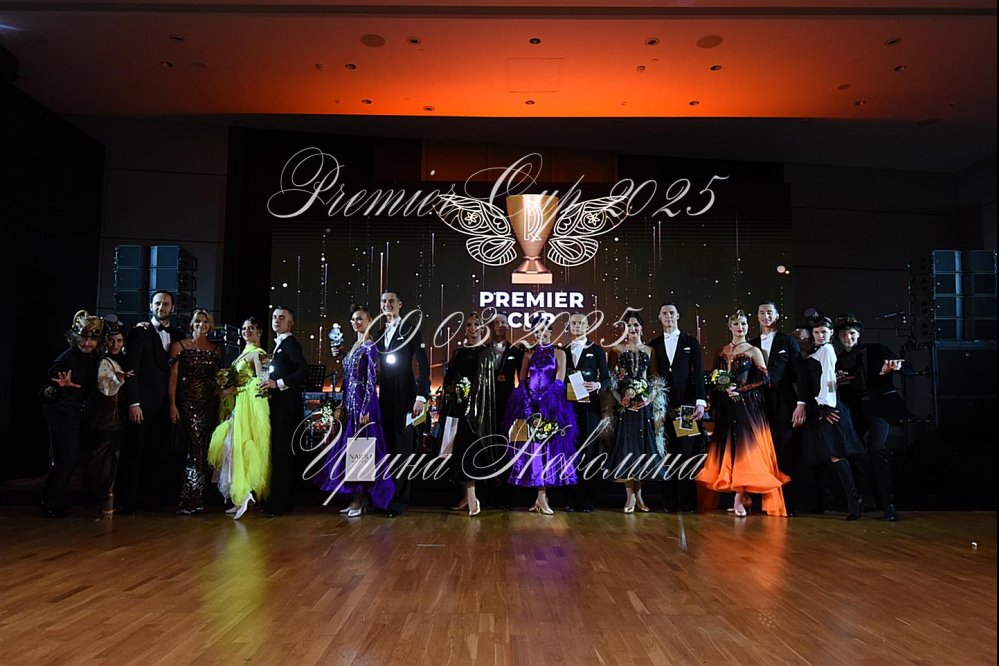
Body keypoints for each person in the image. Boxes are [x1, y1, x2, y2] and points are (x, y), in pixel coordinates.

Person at [696, 310, 789, 517]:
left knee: (745, 449)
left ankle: (739, 498)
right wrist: (720, 393)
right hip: (726, 406)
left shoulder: (754, 350)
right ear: (730, 327)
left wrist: (740, 389)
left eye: (744, 324)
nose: (741, 327)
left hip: (747, 406)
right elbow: (714, 377)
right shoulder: (721, 350)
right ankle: (742, 497)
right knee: (730, 449)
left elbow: (765, 379)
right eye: (737, 324)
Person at [314, 305, 394, 517]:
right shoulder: (356, 346)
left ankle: (360, 499)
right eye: (353, 319)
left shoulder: (369, 346)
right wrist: (342, 354)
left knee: (360, 449)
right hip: (351, 402)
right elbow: (350, 374)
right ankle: (357, 498)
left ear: (369, 321)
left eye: (360, 319)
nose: (355, 322)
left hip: (363, 404)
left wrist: (365, 407)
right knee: (352, 449)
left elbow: (371, 380)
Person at [834, 314, 909, 521]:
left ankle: (888, 505)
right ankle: (865, 499)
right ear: (838, 337)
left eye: (851, 333)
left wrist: (897, 367)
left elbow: (904, 366)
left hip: (877, 408)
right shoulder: (837, 359)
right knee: (850, 452)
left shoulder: (876, 349)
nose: (848, 337)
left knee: (876, 449)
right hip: (853, 411)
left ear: (858, 334)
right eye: (844, 334)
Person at [792, 314, 866, 520]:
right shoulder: (816, 351)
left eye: (824, 332)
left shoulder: (827, 350)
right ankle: (824, 502)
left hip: (827, 407)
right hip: (818, 407)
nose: (820, 335)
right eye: (816, 332)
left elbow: (829, 380)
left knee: (836, 454)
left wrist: (826, 406)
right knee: (818, 456)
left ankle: (854, 503)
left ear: (831, 333)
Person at [503, 313, 578, 514]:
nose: (541, 334)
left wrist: (546, 404)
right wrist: (527, 402)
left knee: (549, 451)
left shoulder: (559, 353)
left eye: (544, 330)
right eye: (537, 331)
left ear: (551, 332)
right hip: (530, 407)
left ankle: (542, 498)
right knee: (534, 452)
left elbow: (559, 381)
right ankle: (540, 498)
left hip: (551, 407)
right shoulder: (528, 354)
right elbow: (522, 381)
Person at [120, 290, 185, 513]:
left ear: (172, 308)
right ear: (150, 306)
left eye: (165, 304)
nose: (161, 307)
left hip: (166, 404)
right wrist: (134, 403)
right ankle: (129, 501)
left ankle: (152, 500)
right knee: (135, 452)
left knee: (158, 452)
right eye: (157, 303)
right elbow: (131, 369)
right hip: (143, 404)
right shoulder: (140, 332)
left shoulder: (178, 335)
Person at [438, 312, 504, 516]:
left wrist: (472, 398)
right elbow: (448, 380)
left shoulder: (486, 353)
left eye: (476, 324)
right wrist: (456, 390)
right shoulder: (458, 353)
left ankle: (472, 495)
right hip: (458, 410)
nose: (472, 328)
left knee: (469, 451)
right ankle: (466, 496)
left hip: (477, 413)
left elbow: (488, 386)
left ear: (483, 329)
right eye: (468, 325)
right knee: (458, 452)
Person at [40, 311, 103, 518]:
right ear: (76, 338)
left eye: (92, 339)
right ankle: (51, 504)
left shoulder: (93, 357)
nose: (87, 343)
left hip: (76, 412)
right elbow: (48, 388)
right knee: (68, 456)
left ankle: (52, 500)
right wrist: (58, 387)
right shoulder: (66, 359)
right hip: (61, 411)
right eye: (83, 338)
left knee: (72, 457)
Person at [208, 317, 271, 520]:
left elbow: (260, 382)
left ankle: (245, 494)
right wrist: (228, 390)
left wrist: (237, 390)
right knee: (231, 447)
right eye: (244, 328)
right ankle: (240, 495)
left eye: (251, 328)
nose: (246, 331)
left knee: (241, 446)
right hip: (239, 404)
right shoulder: (244, 352)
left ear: (259, 331)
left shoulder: (258, 354)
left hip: (249, 406)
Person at [375, 290, 430, 517]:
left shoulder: (410, 329)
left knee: (402, 449)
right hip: (385, 396)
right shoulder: (379, 333)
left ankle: (399, 502)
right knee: (387, 447)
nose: (387, 304)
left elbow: (423, 365)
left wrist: (421, 396)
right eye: (384, 301)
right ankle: (385, 498)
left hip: (406, 395)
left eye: (391, 301)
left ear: (400, 304)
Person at [647, 303, 707, 512]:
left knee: (686, 452)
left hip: (686, 406)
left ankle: (688, 503)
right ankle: (669, 502)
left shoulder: (690, 342)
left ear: (678, 315)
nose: (668, 316)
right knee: (666, 451)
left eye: (672, 313)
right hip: (662, 407)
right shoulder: (654, 345)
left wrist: (700, 401)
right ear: (659, 317)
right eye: (664, 313)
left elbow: (698, 372)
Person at [607, 312, 667, 513]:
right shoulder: (616, 350)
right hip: (624, 408)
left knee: (641, 448)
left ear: (641, 328)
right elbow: (611, 381)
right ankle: (630, 496)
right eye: (628, 326)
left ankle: (640, 495)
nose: (632, 329)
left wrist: (648, 399)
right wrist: (621, 400)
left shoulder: (650, 350)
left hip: (643, 407)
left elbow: (654, 379)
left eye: (635, 325)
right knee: (627, 448)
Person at [168, 309, 221, 514]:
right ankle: (190, 501)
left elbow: (217, 379)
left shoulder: (215, 350)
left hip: (209, 403)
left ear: (210, 326)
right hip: (187, 403)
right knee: (196, 447)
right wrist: (172, 404)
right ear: (192, 324)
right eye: (198, 321)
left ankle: (199, 499)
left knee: (204, 449)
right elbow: (173, 377)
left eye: (205, 322)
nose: (201, 325)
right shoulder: (179, 346)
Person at [259, 306, 308, 516]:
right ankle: (282, 501)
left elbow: (303, 370)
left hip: (288, 407)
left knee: (283, 453)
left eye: (282, 317)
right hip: (279, 405)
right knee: (280, 453)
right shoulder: (278, 345)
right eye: (275, 317)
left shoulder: (290, 344)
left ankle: (279, 504)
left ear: (290, 323)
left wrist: (277, 383)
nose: (277, 320)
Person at [564, 312, 612, 512]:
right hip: (569, 408)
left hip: (590, 408)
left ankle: (588, 499)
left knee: (590, 451)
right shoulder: (563, 351)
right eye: (573, 323)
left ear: (587, 326)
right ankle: (571, 498)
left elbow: (607, 379)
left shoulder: (596, 350)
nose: (577, 326)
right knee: (570, 451)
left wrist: (597, 385)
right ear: (569, 326)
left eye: (581, 323)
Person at [749, 301, 801, 478]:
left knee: (786, 447)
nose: (766, 316)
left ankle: (787, 490)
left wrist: (801, 403)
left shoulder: (787, 341)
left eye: (770, 312)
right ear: (757, 317)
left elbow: (800, 373)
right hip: (759, 402)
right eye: (762, 312)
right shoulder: (751, 344)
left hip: (784, 401)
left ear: (777, 316)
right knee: (761, 447)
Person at [88, 317, 132, 518]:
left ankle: (108, 498)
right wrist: (118, 378)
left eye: (119, 341)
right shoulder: (103, 362)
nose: (115, 345)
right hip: (106, 418)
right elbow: (105, 388)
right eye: (112, 340)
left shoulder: (122, 360)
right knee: (104, 459)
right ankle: (103, 500)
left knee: (113, 458)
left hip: (118, 417)